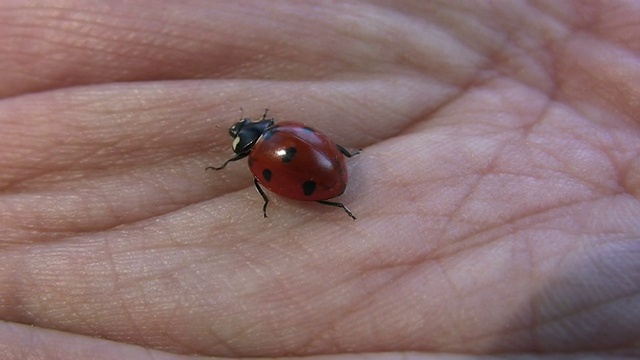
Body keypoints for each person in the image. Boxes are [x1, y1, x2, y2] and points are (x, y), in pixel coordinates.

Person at [0, 1, 638, 359]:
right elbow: (311, 150)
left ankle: (338, 205)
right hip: (327, 167)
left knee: (306, 181)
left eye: (241, 137)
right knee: (323, 171)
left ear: (246, 141)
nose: (244, 134)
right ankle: (341, 202)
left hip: (325, 174)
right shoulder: (283, 139)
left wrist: (278, 187)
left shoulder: (261, 160)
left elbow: (277, 165)